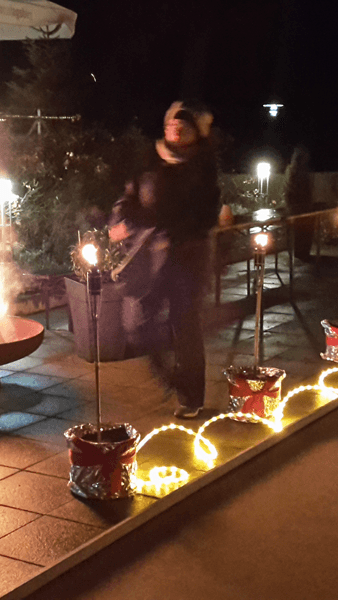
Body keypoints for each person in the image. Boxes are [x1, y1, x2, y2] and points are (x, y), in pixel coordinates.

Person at [109, 101, 220, 419]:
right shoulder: (150, 162)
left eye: (184, 126)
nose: (176, 128)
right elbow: (129, 198)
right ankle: (171, 376)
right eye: (173, 124)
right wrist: (122, 221)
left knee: (185, 324)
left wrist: (169, 230)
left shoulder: (202, 166)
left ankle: (191, 398)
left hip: (188, 255)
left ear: (194, 134)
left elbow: (206, 213)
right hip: (151, 254)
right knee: (136, 323)